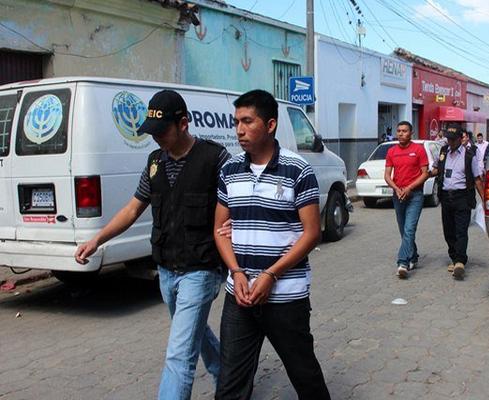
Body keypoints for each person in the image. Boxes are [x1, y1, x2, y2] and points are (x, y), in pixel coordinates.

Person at [74, 90, 230, 400]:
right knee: (193, 336)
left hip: (201, 268)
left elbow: (237, 202)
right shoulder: (155, 161)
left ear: (183, 123)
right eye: (152, 132)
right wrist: (97, 240)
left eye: (162, 131)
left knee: (179, 355)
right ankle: (230, 379)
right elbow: (133, 209)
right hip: (167, 270)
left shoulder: (215, 158)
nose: (156, 138)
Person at [213, 89, 330, 400]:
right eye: (236, 121)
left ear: (270, 124)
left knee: (305, 376)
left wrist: (271, 274)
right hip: (239, 296)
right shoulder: (230, 170)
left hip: (285, 296)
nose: (239, 129)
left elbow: (311, 233)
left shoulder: (297, 169)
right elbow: (219, 229)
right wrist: (236, 272)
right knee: (229, 386)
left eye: (248, 121)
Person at [431, 124, 485, 280]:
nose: (451, 142)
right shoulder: (443, 152)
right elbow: (436, 169)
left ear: (461, 139)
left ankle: (460, 261)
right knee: (449, 231)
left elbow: (477, 179)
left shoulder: (469, 155)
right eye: (448, 139)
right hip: (446, 197)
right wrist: (422, 175)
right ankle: (454, 257)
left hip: (462, 197)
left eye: (454, 140)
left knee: (461, 230)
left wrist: (485, 200)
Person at [384, 121, 429, 279]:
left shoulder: (419, 150)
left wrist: (409, 188)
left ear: (411, 133)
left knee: (409, 229)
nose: (401, 133)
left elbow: (425, 173)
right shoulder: (391, 151)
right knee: (403, 230)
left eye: (404, 131)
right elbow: (387, 175)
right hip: (398, 195)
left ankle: (402, 263)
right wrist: (397, 189)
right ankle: (413, 256)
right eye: (399, 131)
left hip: (414, 195)